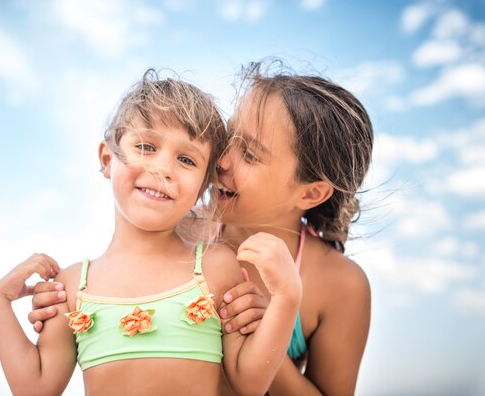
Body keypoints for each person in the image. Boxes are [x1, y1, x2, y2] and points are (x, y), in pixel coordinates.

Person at [29, 61, 374, 396]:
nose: (221, 162)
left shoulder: (339, 284)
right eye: (230, 138)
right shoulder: (175, 229)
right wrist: (61, 299)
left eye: (250, 155)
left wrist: (266, 332)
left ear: (311, 192)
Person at [0, 69, 302, 396]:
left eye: (186, 159)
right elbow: (36, 388)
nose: (163, 168)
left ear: (202, 188)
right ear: (107, 159)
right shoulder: (71, 286)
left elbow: (248, 383)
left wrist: (286, 298)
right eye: (146, 146)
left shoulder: (215, 267)